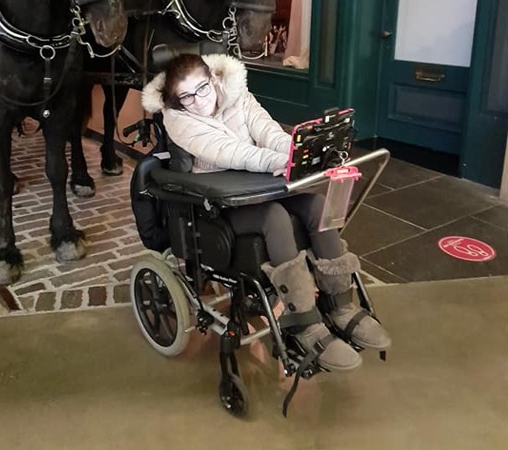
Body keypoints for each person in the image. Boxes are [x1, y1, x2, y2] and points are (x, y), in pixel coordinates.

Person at [141, 52, 391, 372]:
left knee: (316, 206)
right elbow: (228, 151)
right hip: (218, 204)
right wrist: (276, 163)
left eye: (201, 89)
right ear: (176, 100)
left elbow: (268, 132)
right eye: (186, 97)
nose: (198, 101)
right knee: (274, 217)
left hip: (257, 185)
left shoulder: (239, 96)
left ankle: (340, 305)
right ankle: (302, 323)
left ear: (214, 79)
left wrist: (301, 154)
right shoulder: (178, 120)